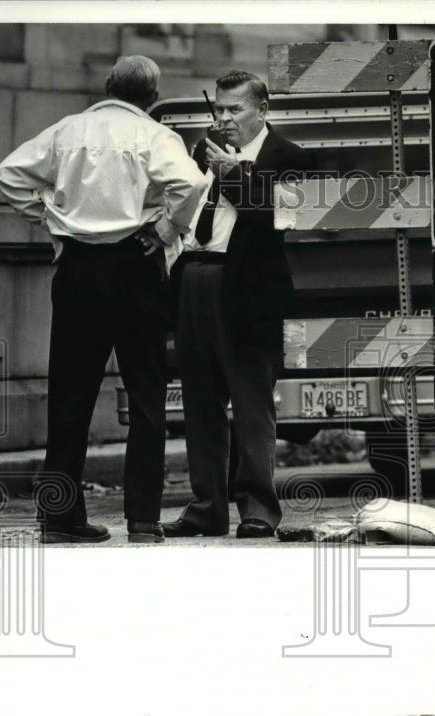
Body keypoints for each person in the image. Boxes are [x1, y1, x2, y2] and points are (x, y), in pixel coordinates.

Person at [0, 55, 209, 543]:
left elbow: (9, 175)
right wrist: (167, 227)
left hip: (77, 271)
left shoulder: (68, 130)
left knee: (69, 398)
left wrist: (51, 220)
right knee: (147, 396)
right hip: (135, 265)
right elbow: (192, 182)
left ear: (108, 85)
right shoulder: (155, 136)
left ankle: (58, 518)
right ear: (152, 98)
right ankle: (143, 519)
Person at [162, 70, 315, 539]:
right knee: (200, 403)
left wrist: (232, 174)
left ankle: (258, 508)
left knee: (252, 402)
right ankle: (207, 504)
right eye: (219, 110)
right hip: (195, 278)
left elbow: (282, 218)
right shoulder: (201, 150)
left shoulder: (288, 157)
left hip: (248, 287)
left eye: (235, 110)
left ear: (262, 110)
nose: (224, 119)